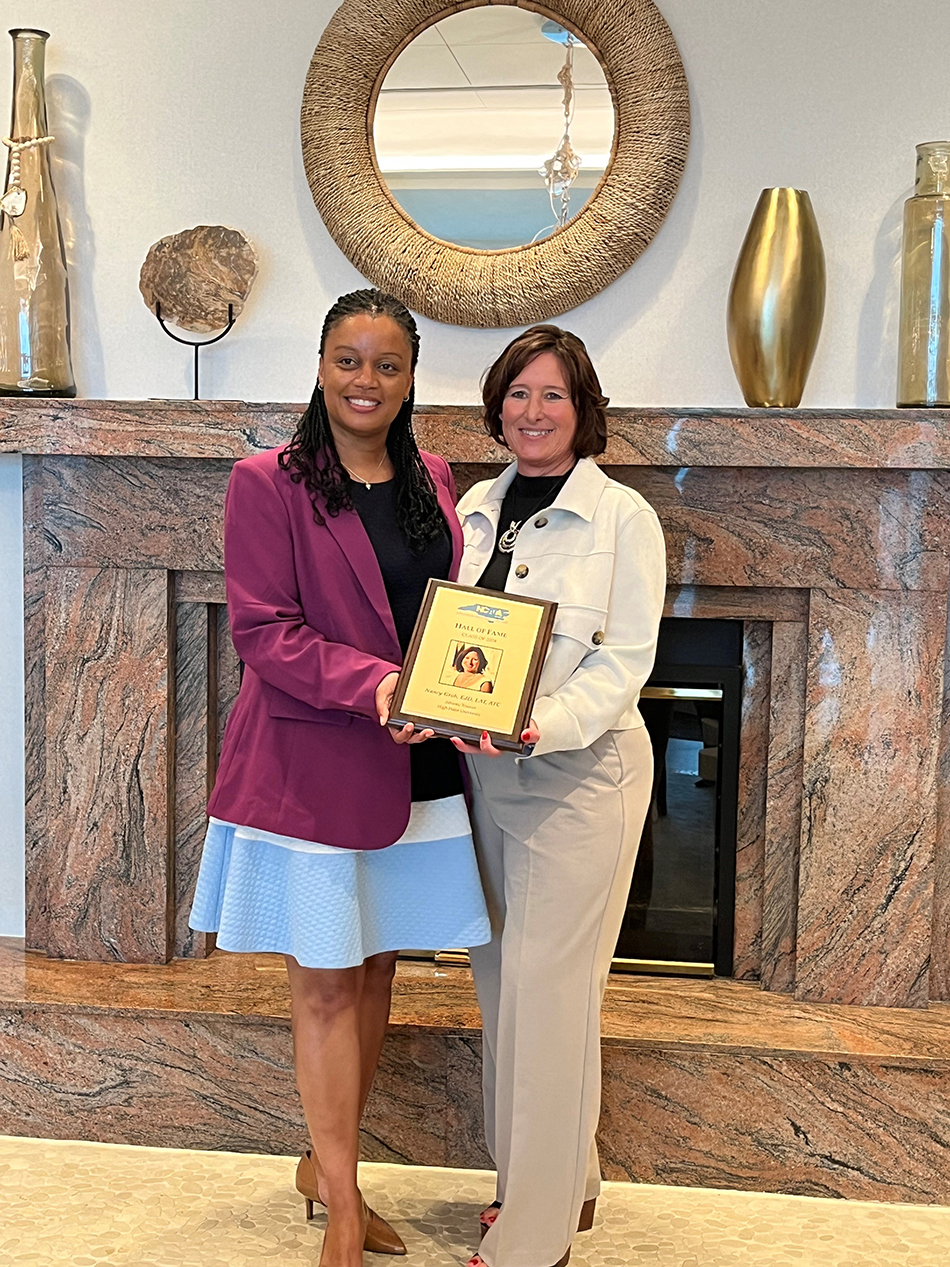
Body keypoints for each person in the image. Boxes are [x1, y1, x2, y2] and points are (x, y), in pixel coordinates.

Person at [189, 288, 489, 1267]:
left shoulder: (433, 478)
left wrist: (462, 689)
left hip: (417, 761)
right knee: (323, 983)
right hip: (313, 763)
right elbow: (264, 632)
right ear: (320, 367)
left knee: (376, 969)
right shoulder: (265, 482)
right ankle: (347, 1207)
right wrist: (379, 686)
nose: (366, 381)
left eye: (387, 365)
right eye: (348, 360)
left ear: (410, 379)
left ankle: (323, 1169)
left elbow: (444, 613)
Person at [451, 325, 666, 1267]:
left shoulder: (623, 518)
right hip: (487, 775)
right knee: (505, 984)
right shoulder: (475, 508)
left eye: (553, 395)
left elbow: (625, 664)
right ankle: (551, 1183)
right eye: (518, 393)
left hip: (583, 778)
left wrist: (541, 724)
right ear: (497, 406)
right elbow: (457, 640)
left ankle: (533, 1240)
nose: (532, 412)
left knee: (550, 998)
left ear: (583, 411)